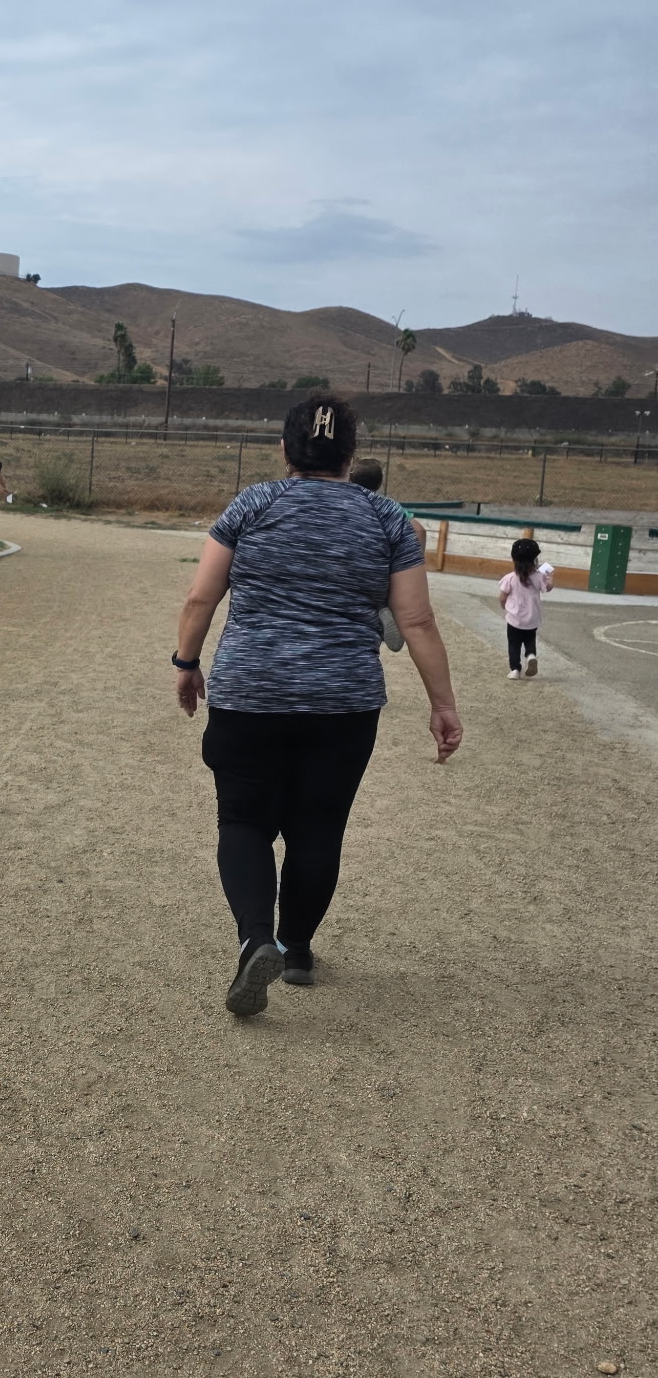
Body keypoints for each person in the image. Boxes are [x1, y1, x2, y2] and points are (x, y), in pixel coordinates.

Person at [174, 392, 463, 1018]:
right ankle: (296, 948)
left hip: (250, 694)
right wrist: (442, 705)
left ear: (285, 449)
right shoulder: (387, 518)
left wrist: (186, 663)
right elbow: (415, 620)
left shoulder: (252, 504)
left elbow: (201, 598)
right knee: (319, 827)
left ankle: (255, 938)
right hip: (343, 703)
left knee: (243, 822)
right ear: (351, 455)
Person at [349, 458, 427, 650]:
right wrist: (414, 560)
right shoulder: (388, 507)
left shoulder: (343, 503)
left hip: (352, 562)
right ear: (380, 482)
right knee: (386, 589)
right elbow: (419, 530)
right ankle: (385, 611)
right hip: (381, 562)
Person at [500, 537, 554, 680]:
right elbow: (547, 588)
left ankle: (515, 670)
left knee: (514, 644)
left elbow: (503, 597)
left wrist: (504, 607)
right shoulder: (539, 577)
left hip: (514, 618)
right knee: (530, 639)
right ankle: (530, 655)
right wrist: (550, 579)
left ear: (514, 560)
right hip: (532, 617)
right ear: (534, 560)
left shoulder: (510, 578)